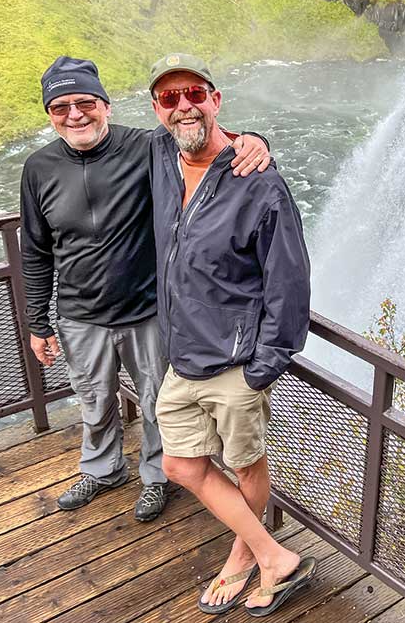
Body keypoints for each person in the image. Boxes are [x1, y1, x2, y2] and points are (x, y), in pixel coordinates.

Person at [20, 56, 271, 522]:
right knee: (93, 400)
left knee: (158, 402)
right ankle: (103, 468)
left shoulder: (147, 147)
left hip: (148, 310)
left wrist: (255, 141)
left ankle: (156, 476)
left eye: (85, 102)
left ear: (106, 106)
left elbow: (201, 129)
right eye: (61, 107)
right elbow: (35, 250)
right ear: (49, 116)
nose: (75, 114)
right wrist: (37, 321)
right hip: (79, 314)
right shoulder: (38, 169)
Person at [148, 53, 315, 616]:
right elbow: (88, 130)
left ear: (216, 100)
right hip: (183, 356)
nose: (183, 106)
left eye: (194, 93)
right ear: (158, 110)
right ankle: (274, 555)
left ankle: (248, 555)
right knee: (180, 465)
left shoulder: (258, 180)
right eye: (170, 99)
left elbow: (289, 280)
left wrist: (263, 365)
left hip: (235, 364)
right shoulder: (160, 158)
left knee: (245, 465)